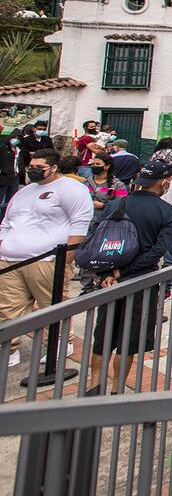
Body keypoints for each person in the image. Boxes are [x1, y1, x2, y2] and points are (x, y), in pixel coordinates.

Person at [88, 161, 172, 392]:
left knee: (103, 337)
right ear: (162, 182)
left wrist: (108, 273)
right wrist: (125, 272)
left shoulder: (117, 204)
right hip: (141, 280)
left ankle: (93, 389)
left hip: (109, 281)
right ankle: (117, 390)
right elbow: (160, 250)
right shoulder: (165, 210)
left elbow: (96, 240)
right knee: (128, 341)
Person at [0, 149, 92, 366]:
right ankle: (9, 347)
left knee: (52, 305)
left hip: (47, 260)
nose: (33, 171)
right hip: (10, 260)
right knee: (8, 307)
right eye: (31, 167)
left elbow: (80, 223)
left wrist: (65, 260)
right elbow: (7, 222)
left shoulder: (71, 189)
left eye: (39, 167)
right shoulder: (24, 192)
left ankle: (60, 342)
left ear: (53, 167)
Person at [85, 151, 129, 227]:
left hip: (104, 224)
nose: (94, 166)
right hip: (85, 223)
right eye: (93, 164)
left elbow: (122, 205)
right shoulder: (86, 182)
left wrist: (103, 205)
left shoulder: (119, 185)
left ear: (107, 166)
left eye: (98, 164)